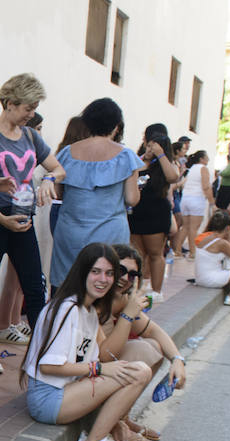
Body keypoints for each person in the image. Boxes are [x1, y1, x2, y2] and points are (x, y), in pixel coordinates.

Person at [21, 243, 151, 441]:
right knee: (138, 371)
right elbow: (50, 366)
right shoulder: (67, 308)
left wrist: (128, 314)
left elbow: (107, 354)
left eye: (110, 273)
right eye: (96, 271)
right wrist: (98, 370)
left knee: (137, 370)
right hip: (47, 397)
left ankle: (101, 438)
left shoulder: (89, 310)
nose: (103, 279)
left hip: (65, 391)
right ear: (82, 273)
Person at [0, 74, 64, 374]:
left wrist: (49, 179)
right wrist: (2, 220)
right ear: (10, 104)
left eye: (34, 108)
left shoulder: (31, 137)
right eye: (28, 107)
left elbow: (58, 168)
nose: (31, 114)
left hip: (23, 224)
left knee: (36, 288)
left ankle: (39, 354)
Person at [98, 244, 188, 441]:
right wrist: (128, 315)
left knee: (154, 346)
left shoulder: (121, 299)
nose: (124, 279)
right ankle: (115, 424)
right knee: (146, 351)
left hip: (104, 368)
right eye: (120, 271)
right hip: (85, 372)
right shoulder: (96, 297)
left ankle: (122, 416)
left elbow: (154, 331)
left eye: (132, 274)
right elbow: (105, 355)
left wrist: (177, 360)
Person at [49, 98, 137, 293]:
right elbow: (132, 199)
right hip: (110, 233)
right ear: (116, 125)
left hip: (70, 232)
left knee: (66, 287)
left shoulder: (67, 153)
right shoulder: (126, 156)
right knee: (105, 287)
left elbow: (58, 192)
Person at [127, 124, 180, 300]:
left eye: (152, 146)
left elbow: (173, 177)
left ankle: (157, 291)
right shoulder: (140, 160)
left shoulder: (165, 163)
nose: (149, 149)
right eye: (148, 145)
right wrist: (145, 156)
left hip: (156, 214)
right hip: (136, 213)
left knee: (156, 253)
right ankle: (137, 288)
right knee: (138, 255)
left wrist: (161, 154)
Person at [177, 150, 214, 259]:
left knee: (185, 227)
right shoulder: (203, 169)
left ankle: (177, 250)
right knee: (194, 228)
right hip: (197, 199)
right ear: (201, 159)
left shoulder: (192, 168)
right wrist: (212, 202)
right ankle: (193, 252)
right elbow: (206, 186)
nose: (208, 159)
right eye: (206, 157)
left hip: (186, 199)